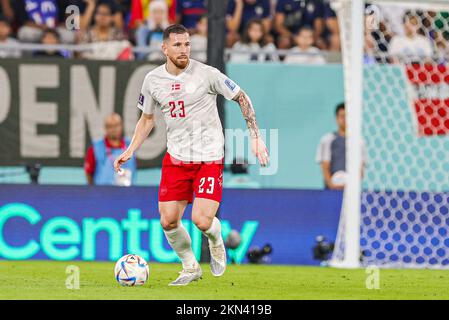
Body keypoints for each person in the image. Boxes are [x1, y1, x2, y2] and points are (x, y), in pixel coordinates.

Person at [114, 24, 269, 286]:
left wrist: (255, 136)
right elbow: (147, 119)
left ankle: (216, 239)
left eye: (187, 44)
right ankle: (190, 267)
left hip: (208, 158)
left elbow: (242, 97)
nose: (184, 49)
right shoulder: (153, 80)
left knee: (201, 220)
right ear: (164, 48)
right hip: (176, 159)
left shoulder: (207, 74)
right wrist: (130, 150)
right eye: (177, 45)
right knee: (168, 220)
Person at [316, 103, 365, 190]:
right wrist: (332, 185)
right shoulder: (327, 140)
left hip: (352, 191)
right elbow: (325, 166)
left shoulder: (359, 141)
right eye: (342, 116)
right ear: (337, 118)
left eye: (347, 116)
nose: (344, 119)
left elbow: (361, 167)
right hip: (331, 190)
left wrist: (352, 186)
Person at [85, 113, 137, 186]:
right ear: (105, 128)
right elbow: (89, 173)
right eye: (110, 126)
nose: (113, 129)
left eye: (116, 125)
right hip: (102, 193)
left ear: (121, 126)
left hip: (127, 192)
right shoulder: (95, 148)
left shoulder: (131, 145)